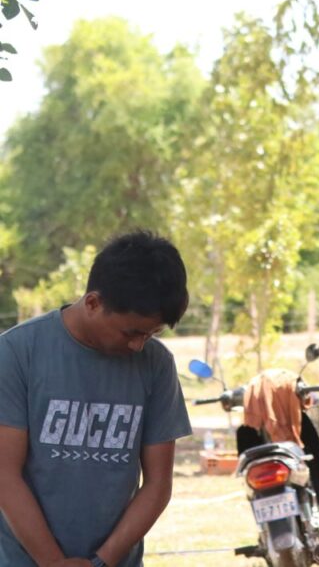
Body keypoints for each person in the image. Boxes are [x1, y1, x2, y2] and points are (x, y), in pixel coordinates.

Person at [0, 231, 192, 567]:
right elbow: (4, 475)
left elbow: (158, 484)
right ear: (93, 302)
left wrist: (102, 561)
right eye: (131, 332)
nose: (138, 345)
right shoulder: (16, 353)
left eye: (151, 334)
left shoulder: (156, 365)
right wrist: (54, 562)